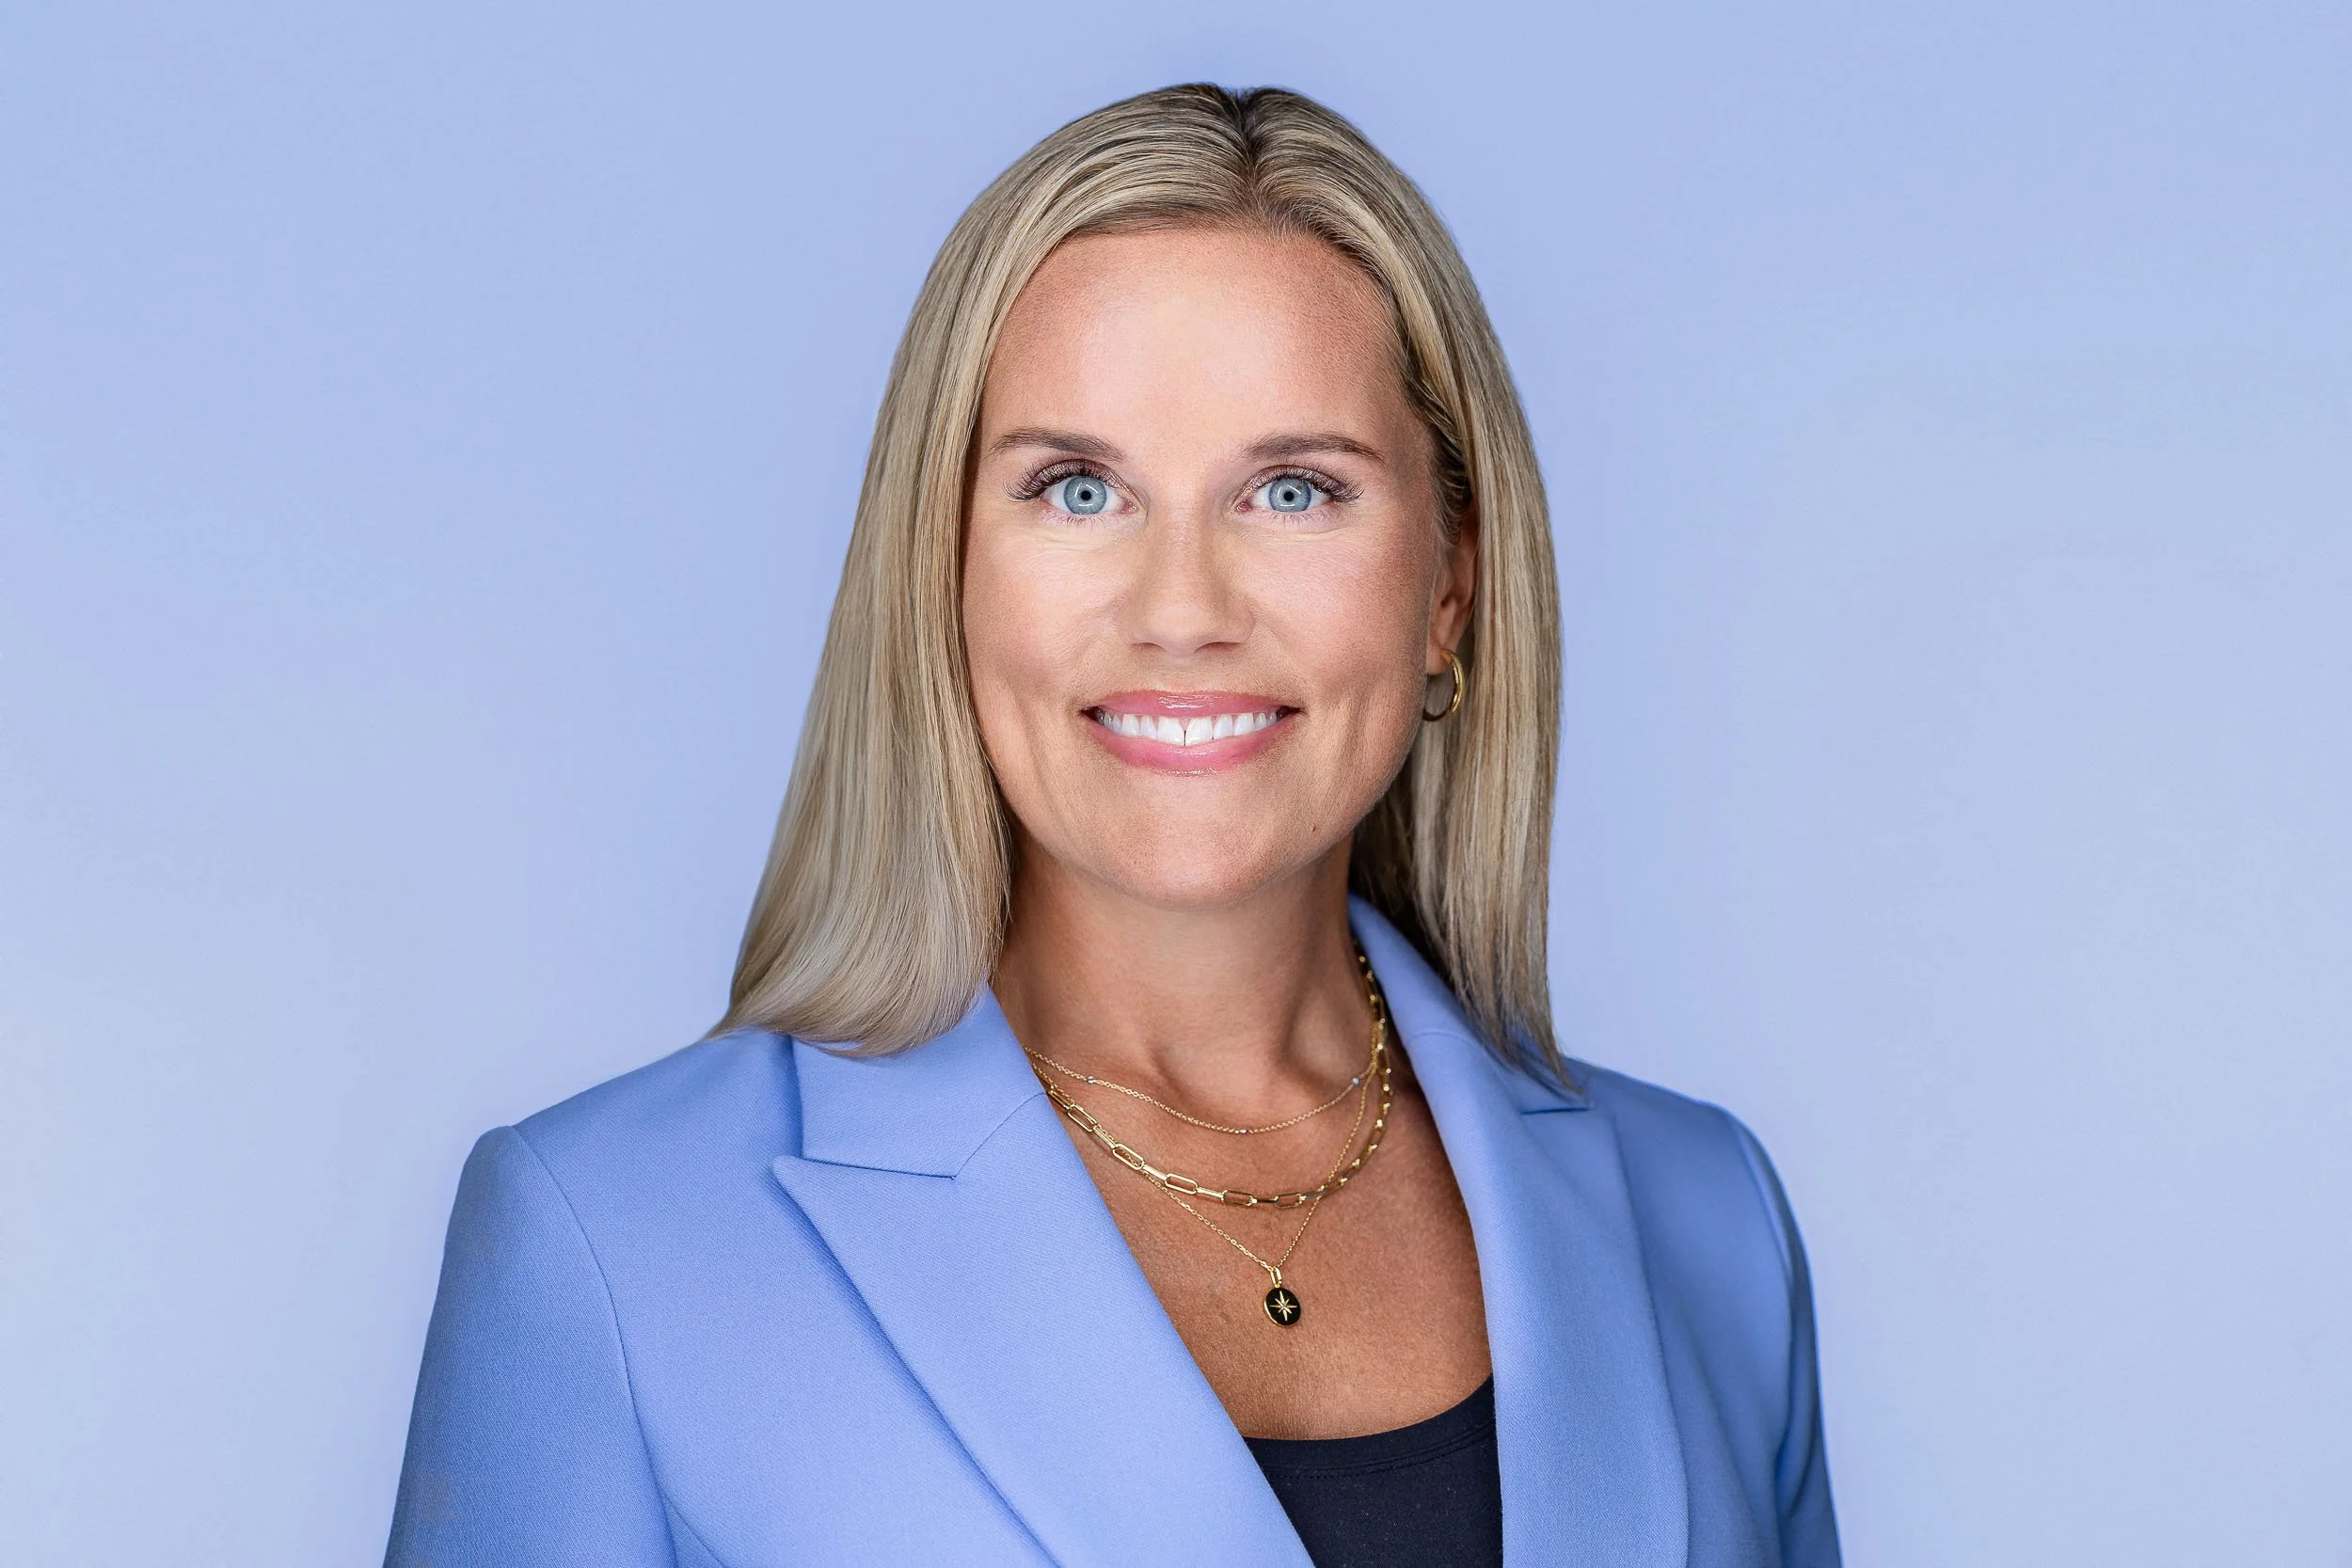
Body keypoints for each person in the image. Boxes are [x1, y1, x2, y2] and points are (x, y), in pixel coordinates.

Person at [387, 83, 1838, 1568]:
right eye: (1078, 489)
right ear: (940, 570)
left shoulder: (1707, 1219)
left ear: (1449, 585)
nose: (1183, 610)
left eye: (1293, 489)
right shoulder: (611, 1243)